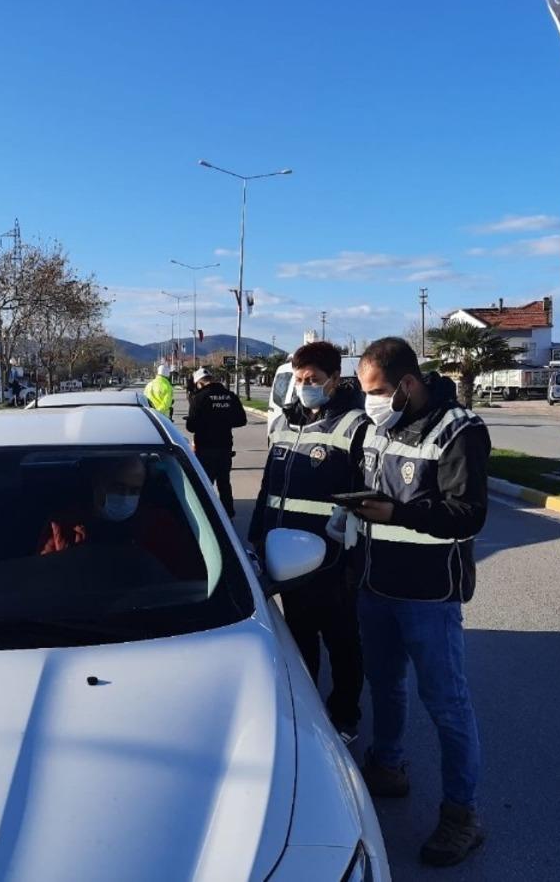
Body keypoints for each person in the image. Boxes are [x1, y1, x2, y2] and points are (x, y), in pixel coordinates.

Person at [349, 336, 490, 868]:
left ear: (408, 384)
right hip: (374, 586)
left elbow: (468, 515)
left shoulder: (461, 431)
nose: (371, 402)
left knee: (448, 707)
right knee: (383, 685)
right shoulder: (376, 428)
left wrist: (397, 515)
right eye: (365, 392)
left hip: (429, 596)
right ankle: (388, 764)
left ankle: (463, 816)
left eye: (379, 391)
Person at [248, 341, 369, 744]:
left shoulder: (354, 425)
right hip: (286, 559)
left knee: (341, 642)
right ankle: (307, 713)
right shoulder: (284, 423)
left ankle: (345, 716)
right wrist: (256, 540)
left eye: (313, 379)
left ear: (334, 380)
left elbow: (366, 491)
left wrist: (349, 525)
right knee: (299, 644)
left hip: (333, 559)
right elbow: (269, 488)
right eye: (299, 379)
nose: (304, 385)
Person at [38, 455, 203, 577]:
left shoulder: (159, 524)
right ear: (98, 485)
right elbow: (45, 576)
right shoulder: (65, 524)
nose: (126, 497)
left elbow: (186, 574)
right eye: (118, 487)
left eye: (134, 491)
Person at [185, 367, 247, 517]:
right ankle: (228, 515)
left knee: (205, 485)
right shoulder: (230, 396)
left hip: (205, 448)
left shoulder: (199, 398)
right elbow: (241, 420)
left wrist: (206, 422)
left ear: (199, 383)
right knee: (224, 484)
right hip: (225, 448)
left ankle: (207, 517)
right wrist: (223, 421)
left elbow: (191, 426)